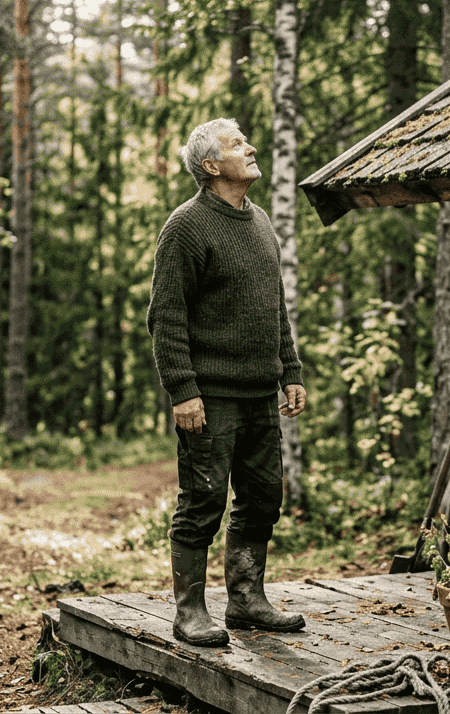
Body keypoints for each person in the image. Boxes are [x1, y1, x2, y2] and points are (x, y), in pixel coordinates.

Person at [146, 117, 308, 648]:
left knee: (263, 498)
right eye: (238, 144)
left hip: (260, 395)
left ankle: (245, 601)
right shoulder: (186, 226)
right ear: (211, 165)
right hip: (210, 397)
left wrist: (290, 371)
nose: (251, 147)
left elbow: (274, 307)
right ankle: (189, 613)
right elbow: (166, 316)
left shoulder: (259, 221)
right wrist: (183, 391)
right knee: (203, 502)